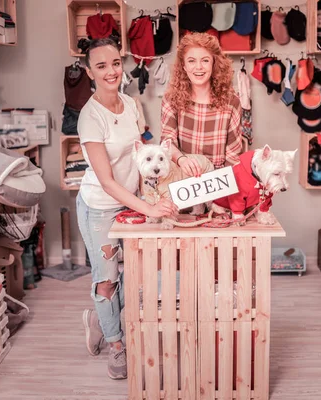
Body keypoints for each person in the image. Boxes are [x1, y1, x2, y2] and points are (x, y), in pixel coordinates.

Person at [76, 38, 177, 380]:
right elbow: (106, 181)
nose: (111, 71)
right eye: (101, 66)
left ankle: (101, 320)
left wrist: (170, 158)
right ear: (89, 72)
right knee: (107, 281)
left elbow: (142, 146)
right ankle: (116, 344)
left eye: (115, 63)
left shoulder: (132, 104)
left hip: (133, 201)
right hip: (101, 206)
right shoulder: (90, 117)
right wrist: (150, 210)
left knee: (133, 278)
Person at [161, 32, 244, 177]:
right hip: (182, 177)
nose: (198, 67)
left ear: (214, 64)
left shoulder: (232, 101)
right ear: (184, 66)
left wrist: (223, 191)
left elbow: (233, 153)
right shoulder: (171, 99)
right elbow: (168, 141)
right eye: (191, 61)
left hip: (219, 179)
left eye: (205, 60)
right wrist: (182, 160)